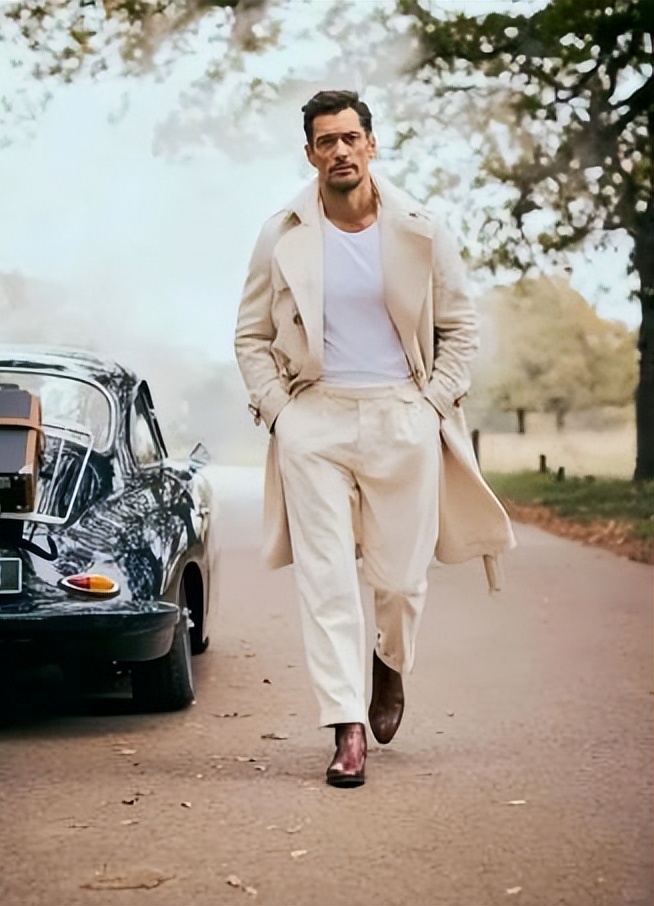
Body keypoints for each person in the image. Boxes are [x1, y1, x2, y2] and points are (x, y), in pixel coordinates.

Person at [234, 90, 515, 788]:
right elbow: (251, 336)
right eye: (325, 141)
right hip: (315, 420)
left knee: (399, 581)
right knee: (326, 579)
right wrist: (281, 412)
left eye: (350, 138)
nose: (339, 151)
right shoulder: (281, 234)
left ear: (371, 144)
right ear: (310, 154)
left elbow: (460, 329)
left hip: (402, 416)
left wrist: (431, 404)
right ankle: (346, 725)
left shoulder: (422, 230)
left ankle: (388, 663)